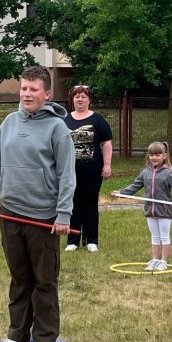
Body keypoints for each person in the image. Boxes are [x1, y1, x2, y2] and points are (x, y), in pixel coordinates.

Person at [0, 65, 76, 342]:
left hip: (43, 216)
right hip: (10, 213)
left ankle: (44, 339)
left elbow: (67, 176)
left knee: (44, 279)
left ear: (47, 94)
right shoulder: (9, 123)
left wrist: (63, 214)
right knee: (19, 278)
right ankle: (17, 336)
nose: (26, 94)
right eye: (24, 88)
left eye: (33, 89)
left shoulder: (58, 129)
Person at [113, 142, 172, 272]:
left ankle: (164, 261)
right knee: (154, 236)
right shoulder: (145, 172)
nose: (154, 157)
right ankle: (155, 259)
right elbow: (135, 186)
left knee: (164, 236)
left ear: (164, 156)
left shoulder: (168, 173)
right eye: (151, 155)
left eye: (157, 154)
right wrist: (121, 192)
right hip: (150, 210)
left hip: (164, 210)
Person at [64, 85, 113, 253]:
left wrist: (107, 165)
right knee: (73, 204)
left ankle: (91, 240)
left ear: (89, 100)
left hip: (93, 169)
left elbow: (106, 143)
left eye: (83, 96)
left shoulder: (98, 119)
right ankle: (73, 240)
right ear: (72, 100)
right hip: (71, 171)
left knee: (90, 204)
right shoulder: (65, 120)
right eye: (77, 96)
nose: (80, 99)